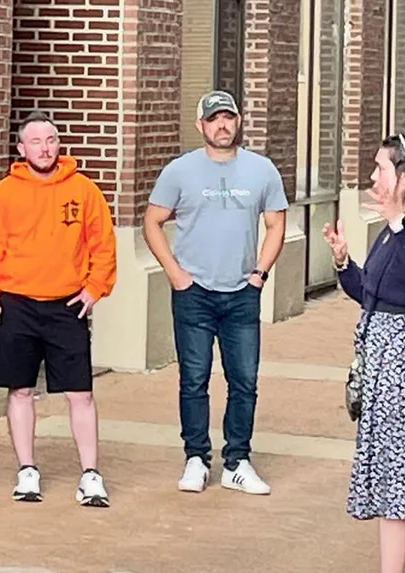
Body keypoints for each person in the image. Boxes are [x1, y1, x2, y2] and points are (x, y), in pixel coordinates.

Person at [322, 134, 405, 573]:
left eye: (380, 168)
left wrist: (398, 222)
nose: (372, 177)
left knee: (398, 486)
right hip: (383, 361)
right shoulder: (394, 227)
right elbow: (372, 293)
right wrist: (344, 262)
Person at [142, 90, 288, 495]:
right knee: (194, 378)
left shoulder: (262, 170)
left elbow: (276, 224)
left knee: (244, 380)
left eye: (228, 117)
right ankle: (195, 458)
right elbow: (152, 221)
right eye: (214, 119)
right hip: (194, 293)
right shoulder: (180, 171)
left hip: (242, 291)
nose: (222, 125)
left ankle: (237, 461)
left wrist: (259, 273)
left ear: (238, 122)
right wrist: (174, 273)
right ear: (201, 126)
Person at [0, 111, 116, 507]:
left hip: (66, 304)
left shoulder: (83, 189)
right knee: (20, 390)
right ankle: (27, 470)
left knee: (81, 393)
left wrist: (94, 289)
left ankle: (90, 474)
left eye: (51, 140)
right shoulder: (5, 192)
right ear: (21, 149)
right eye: (36, 141)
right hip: (16, 304)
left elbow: (103, 244)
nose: (45, 148)